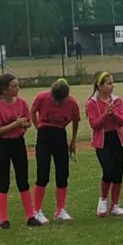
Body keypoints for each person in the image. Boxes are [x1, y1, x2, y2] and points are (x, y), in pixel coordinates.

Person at [0, 73, 39, 228]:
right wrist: (15, 124)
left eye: (17, 85)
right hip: (2, 144)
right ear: (4, 90)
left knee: (23, 179)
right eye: (14, 86)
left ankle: (30, 216)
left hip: (18, 143)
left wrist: (23, 124)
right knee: (3, 181)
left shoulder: (21, 102)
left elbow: (28, 123)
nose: (18, 88)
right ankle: (3, 219)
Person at [30, 78, 81, 222]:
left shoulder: (72, 102)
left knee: (63, 172)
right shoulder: (42, 97)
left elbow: (76, 120)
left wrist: (73, 141)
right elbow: (32, 112)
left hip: (60, 134)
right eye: (55, 100)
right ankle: (37, 210)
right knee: (43, 172)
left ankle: (60, 209)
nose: (58, 103)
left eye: (61, 101)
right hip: (44, 135)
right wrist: (38, 126)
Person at [88, 72, 123, 217]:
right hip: (102, 141)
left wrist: (114, 114)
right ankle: (103, 199)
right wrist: (106, 115)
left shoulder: (117, 101)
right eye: (109, 83)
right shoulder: (92, 103)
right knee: (109, 171)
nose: (112, 86)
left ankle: (115, 205)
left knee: (118, 173)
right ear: (99, 86)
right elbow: (94, 125)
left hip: (116, 139)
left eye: (112, 83)